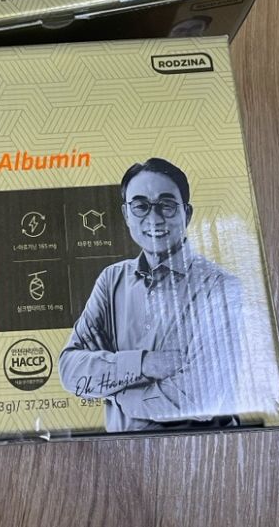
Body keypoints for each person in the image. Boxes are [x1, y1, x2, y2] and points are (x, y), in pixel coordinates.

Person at [58, 158, 242, 432]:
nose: (154, 219)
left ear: (187, 214)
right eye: (140, 206)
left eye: (166, 205)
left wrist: (115, 392)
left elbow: (199, 398)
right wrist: (144, 364)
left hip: (201, 447)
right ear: (126, 214)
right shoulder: (111, 280)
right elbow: (70, 371)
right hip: (118, 449)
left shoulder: (220, 288)